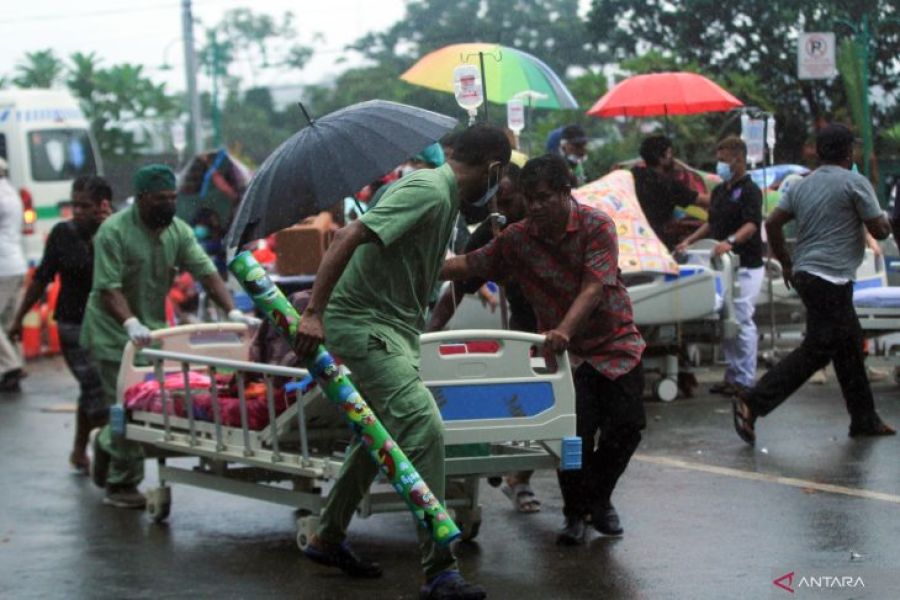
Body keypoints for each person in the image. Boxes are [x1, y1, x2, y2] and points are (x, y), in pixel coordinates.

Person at [292, 125, 511, 600]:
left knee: (378, 434)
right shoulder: (428, 189)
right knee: (423, 426)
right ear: (494, 169)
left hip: (393, 329)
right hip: (365, 324)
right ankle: (440, 570)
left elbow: (433, 265)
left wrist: (491, 254)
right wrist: (313, 313)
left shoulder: (445, 201)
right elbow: (349, 234)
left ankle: (328, 536)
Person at [441, 154, 646, 546]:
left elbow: (594, 287)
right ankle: (575, 513)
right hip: (566, 356)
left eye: (543, 198)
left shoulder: (596, 225)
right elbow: (470, 265)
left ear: (566, 192)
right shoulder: (517, 238)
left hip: (614, 341)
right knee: (572, 436)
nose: (535, 207)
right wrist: (418, 265)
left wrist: (564, 329)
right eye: (529, 198)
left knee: (627, 427)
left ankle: (598, 499)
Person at [81, 164, 260, 509]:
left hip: (153, 332)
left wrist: (232, 312)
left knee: (142, 406)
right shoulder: (113, 232)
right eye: (160, 198)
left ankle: (104, 442)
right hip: (112, 331)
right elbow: (107, 288)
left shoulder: (178, 231)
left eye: (172, 197)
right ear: (142, 198)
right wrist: (130, 323)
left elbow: (206, 273)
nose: (169, 204)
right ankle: (122, 482)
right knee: (126, 405)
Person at [731, 124, 895, 445]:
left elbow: (772, 223)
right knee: (819, 349)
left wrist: (786, 261)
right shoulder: (855, 182)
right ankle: (753, 400)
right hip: (831, 277)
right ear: (849, 152)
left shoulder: (801, 184)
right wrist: (886, 221)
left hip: (807, 274)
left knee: (849, 345)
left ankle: (864, 419)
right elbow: (879, 231)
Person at [427, 164, 542, 513]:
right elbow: (458, 285)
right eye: (497, 204)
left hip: (567, 324)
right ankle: (517, 476)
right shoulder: (492, 232)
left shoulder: (550, 225)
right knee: (526, 405)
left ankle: (578, 503)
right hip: (526, 329)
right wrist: (428, 335)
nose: (502, 211)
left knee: (571, 414)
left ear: (527, 195)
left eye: (508, 201)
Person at [9, 176, 112, 470]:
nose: (77, 211)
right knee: (95, 388)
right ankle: (112, 462)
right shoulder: (62, 234)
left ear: (103, 206)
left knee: (94, 389)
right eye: (74, 205)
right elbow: (42, 278)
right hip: (73, 324)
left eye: (85, 206)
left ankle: (79, 450)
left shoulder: (116, 231)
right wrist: (19, 319)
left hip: (109, 325)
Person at [676, 137, 764, 395]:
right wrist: (689, 241)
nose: (720, 165)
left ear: (738, 158)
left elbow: (751, 224)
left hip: (746, 264)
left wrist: (731, 242)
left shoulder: (750, 191)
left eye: (723, 160)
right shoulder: (720, 192)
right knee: (727, 321)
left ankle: (745, 378)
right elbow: (711, 222)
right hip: (721, 266)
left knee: (742, 318)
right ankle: (732, 374)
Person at [632, 135, 709, 250]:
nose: (672, 158)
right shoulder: (667, 184)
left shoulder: (633, 175)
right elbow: (702, 200)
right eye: (669, 153)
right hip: (656, 241)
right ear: (661, 158)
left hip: (633, 237)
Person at [0, 157, 27, 393]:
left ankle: (11, 366)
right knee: (9, 322)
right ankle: (15, 367)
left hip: (2, 266)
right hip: (16, 263)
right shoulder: (11, 192)